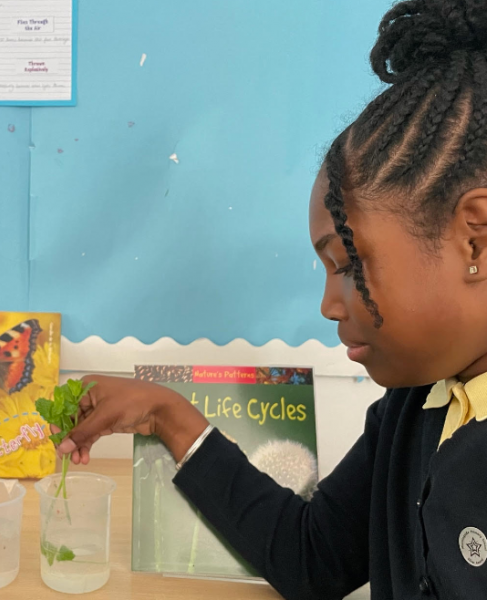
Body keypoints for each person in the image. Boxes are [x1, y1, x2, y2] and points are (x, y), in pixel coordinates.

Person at [57, 2, 487, 599]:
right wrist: (167, 414)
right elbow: (312, 558)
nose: (329, 305)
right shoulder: (416, 405)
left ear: (475, 238)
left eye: (348, 264)